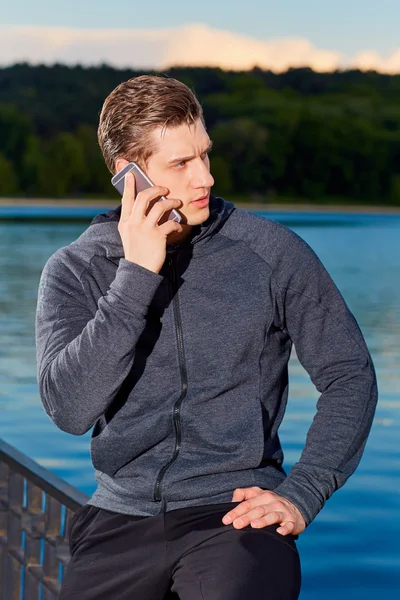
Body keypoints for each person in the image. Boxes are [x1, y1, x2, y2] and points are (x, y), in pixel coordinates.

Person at [35, 75, 378, 600]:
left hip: (237, 516)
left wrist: (303, 492)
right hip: (119, 517)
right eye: (180, 164)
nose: (206, 178)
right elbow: (70, 409)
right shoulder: (76, 270)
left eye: (204, 155)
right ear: (129, 174)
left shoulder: (271, 253)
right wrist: (136, 275)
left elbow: (349, 374)